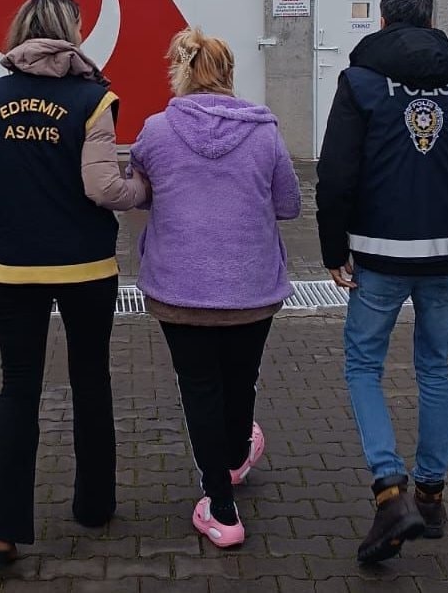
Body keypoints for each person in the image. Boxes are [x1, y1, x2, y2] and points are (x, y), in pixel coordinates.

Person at [315, 0, 448, 564]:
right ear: (430, 21)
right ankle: (430, 495)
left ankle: (389, 490)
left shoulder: (360, 83)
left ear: (381, 22)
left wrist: (333, 248)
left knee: (362, 366)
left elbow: (336, 175)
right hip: (447, 256)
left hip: (377, 257)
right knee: (433, 368)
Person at [0, 0, 149, 569]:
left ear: (20, 31)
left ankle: (1, 531)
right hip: (85, 265)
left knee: (17, 387)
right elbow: (102, 187)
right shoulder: (95, 99)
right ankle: (94, 505)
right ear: (71, 33)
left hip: (11, 267)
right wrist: (143, 190)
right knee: (90, 379)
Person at [130, 27, 302, 548]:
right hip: (251, 286)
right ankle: (234, 458)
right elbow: (289, 204)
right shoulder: (265, 132)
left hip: (179, 288)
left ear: (180, 72)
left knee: (199, 389)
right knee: (241, 379)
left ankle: (221, 509)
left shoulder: (156, 130)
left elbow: (142, 192)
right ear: (229, 74)